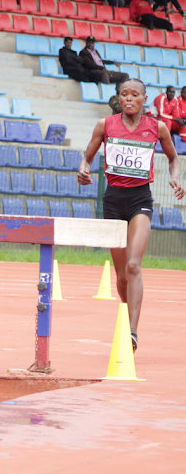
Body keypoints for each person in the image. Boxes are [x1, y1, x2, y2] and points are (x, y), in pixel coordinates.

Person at [78, 78, 184, 352]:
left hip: (140, 200)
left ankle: (132, 332)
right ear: (119, 98)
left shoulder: (157, 127)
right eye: (123, 94)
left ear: (143, 99)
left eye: (134, 94)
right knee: (122, 275)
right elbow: (88, 156)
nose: (128, 98)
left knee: (134, 265)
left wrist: (176, 178)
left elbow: (173, 158)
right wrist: (83, 168)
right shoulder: (105, 125)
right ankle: (126, 315)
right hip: (113, 202)